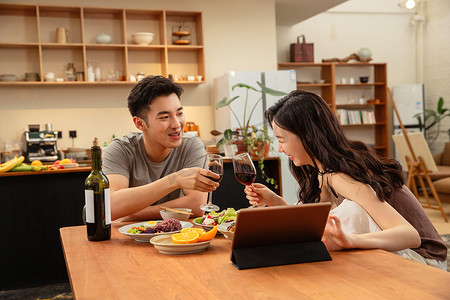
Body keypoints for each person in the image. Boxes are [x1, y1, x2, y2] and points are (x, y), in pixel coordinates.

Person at [244, 90, 447, 270]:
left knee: (350, 214)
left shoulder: (340, 176)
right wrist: (278, 203)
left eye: (282, 139)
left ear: (307, 135)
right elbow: (313, 225)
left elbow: (409, 235)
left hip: (425, 261)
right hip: (404, 255)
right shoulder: (322, 172)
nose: (280, 149)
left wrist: (349, 241)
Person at [103, 75, 219, 221]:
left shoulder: (191, 145)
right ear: (139, 124)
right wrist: (174, 180)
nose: (177, 124)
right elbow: (111, 206)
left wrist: (130, 215)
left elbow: (196, 205)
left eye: (179, 113)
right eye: (165, 117)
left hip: (175, 236)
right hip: (128, 237)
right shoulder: (120, 149)